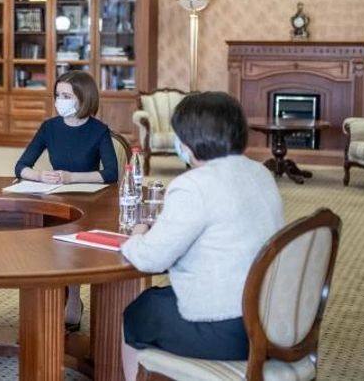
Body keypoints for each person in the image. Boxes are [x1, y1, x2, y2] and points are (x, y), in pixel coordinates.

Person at [119, 92, 284, 380]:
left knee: (138, 312)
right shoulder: (260, 173)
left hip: (227, 328)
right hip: (273, 318)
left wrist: (135, 235)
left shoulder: (193, 185)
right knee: (160, 298)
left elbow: (150, 259)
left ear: (188, 140)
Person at [14, 70, 119, 329]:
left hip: (88, 199)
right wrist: (40, 175)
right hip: (55, 197)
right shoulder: (49, 127)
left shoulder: (99, 131)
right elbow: (20, 167)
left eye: (67, 96)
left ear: (84, 99)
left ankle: (73, 296)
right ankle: (48, 295)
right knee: (38, 236)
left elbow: (111, 173)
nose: (60, 101)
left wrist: (72, 177)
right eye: (58, 95)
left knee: (72, 235)